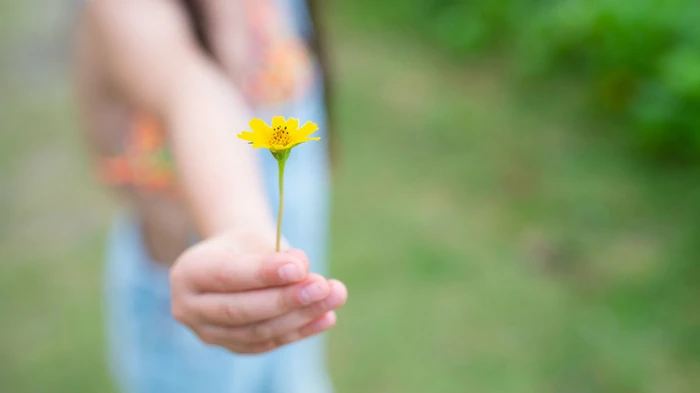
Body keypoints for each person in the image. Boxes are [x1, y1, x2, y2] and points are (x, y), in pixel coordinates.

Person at [73, 1, 347, 392]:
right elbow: (195, 96)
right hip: (200, 297)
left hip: (287, 298)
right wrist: (241, 228)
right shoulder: (126, 11)